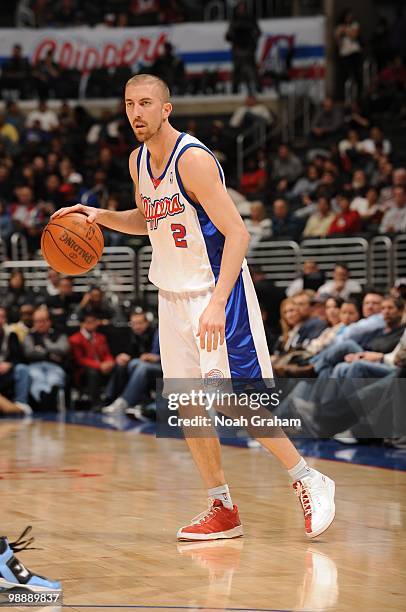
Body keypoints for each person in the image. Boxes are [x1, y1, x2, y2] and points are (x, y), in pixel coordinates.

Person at [53, 73, 335, 542]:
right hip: (172, 293)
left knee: (233, 397)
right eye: (129, 105)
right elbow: (150, 219)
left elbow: (238, 234)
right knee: (186, 406)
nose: (136, 113)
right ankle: (221, 507)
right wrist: (99, 216)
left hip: (214, 290)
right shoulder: (137, 161)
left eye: (145, 103)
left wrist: (218, 303)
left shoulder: (194, 159)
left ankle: (308, 477)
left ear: (167, 108)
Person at [23, 307, 69, 410]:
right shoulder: (29, 335)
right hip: (35, 366)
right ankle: (46, 399)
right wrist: (50, 354)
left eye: (43, 321)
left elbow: (63, 349)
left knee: (54, 378)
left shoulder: (59, 333)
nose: (40, 324)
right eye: (37, 321)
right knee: (37, 377)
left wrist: (44, 345)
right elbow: (29, 352)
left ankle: (51, 396)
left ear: (49, 321)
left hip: (55, 366)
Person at [69, 312, 115, 409]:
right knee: (92, 372)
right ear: (82, 324)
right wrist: (99, 366)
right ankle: (96, 404)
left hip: (103, 367)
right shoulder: (75, 339)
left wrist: (110, 362)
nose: (92, 324)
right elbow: (80, 360)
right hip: (84, 371)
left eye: (94, 321)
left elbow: (107, 354)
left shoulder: (100, 337)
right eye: (89, 322)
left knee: (119, 367)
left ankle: (110, 398)